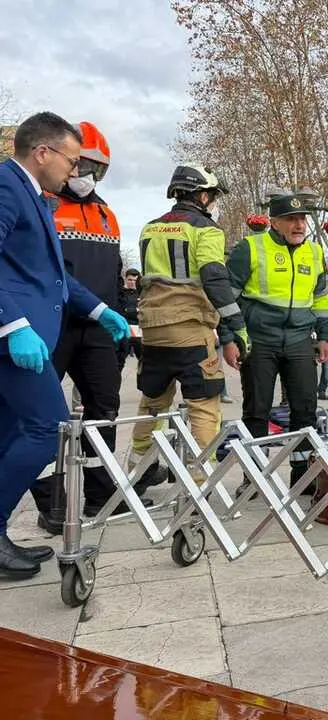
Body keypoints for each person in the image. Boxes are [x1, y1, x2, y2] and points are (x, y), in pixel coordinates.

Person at [0, 112, 130, 578]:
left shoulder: (37, 198)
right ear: (42, 152)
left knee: (8, 434)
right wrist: (12, 325)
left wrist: (100, 310)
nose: (74, 171)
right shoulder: (7, 186)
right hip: (17, 341)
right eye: (71, 161)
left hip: (26, 338)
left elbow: (54, 278)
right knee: (45, 428)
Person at [28, 121, 144, 531]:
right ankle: (51, 502)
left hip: (96, 329)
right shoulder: (41, 207)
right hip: (50, 325)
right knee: (41, 414)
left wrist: (121, 326)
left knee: (104, 410)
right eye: (82, 163)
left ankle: (99, 495)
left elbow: (112, 272)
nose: (85, 174)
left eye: (96, 167)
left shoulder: (107, 214)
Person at [129, 163, 248, 478]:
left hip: (153, 330)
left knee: (152, 404)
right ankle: (200, 480)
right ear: (203, 195)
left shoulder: (149, 228)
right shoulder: (206, 230)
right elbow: (214, 277)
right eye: (213, 195)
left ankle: (136, 473)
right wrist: (237, 326)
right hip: (190, 330)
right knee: (204, 406)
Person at [227, 192, 328, 491]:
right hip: (259, 340)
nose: (299, 225)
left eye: (303, 219)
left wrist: (325, 336)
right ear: (274, 222)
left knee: (305, 409)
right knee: (257, 410)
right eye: (292, 219)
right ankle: (255, 479)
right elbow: (227, 299)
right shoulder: (250, 248)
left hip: (300, 340)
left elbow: (320, 297)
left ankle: (302, 477)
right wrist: (229, 338)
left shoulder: (314, 252)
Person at [117, 268, 142, 370]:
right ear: (126, 279)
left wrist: (128, 310)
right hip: (124, 331)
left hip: (140, 333)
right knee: (119, 362)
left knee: (145, 363)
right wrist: (135, 310)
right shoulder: (120, 293)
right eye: (130, 280)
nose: (132, 283)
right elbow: (119, 310)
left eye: (135, 280)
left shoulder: (142, 294)